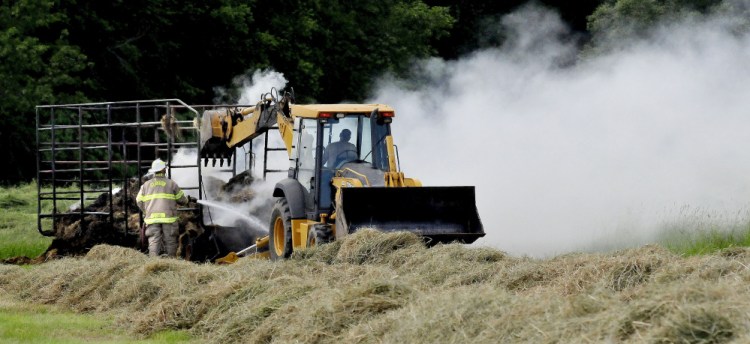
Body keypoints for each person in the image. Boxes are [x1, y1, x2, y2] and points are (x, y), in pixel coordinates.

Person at [136, 158, 188, 257]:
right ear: (164, 170)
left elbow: (138, 201)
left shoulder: (145, 185)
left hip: (152, 219)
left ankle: (154, 264)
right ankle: (170, 264)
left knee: (154, 242)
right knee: (170, 241)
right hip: (169, 219)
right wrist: (188, 200)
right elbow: (182, 200)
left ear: (154, 171)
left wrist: (146, 211)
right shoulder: (172, 184)